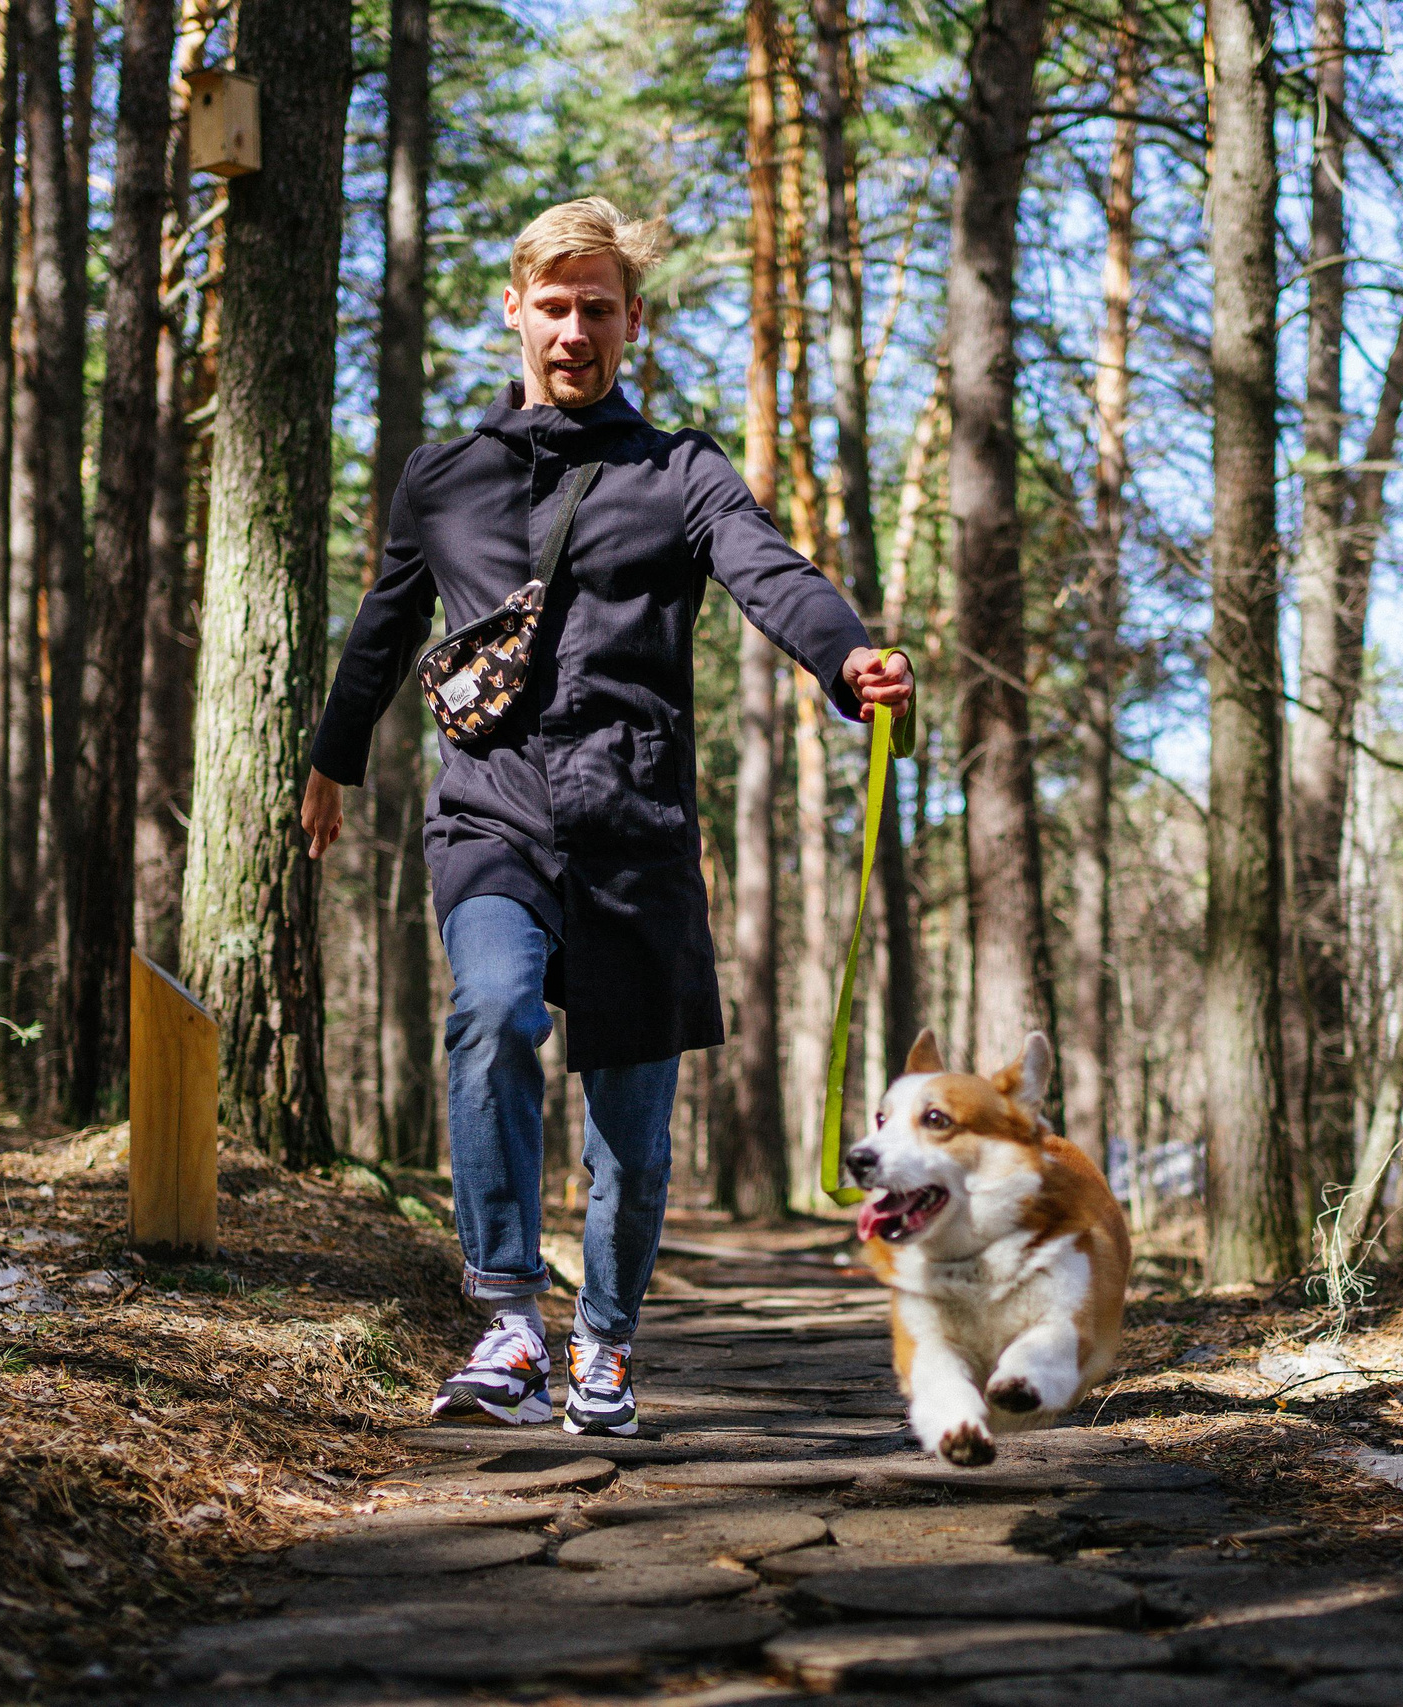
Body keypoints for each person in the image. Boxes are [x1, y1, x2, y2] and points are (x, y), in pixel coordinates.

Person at [301, 198, 913, 1436]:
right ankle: (511, 1320)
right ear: (515, 308)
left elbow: (764, 569)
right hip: (492, 810)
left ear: (632, 321)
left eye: (598, 309)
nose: (574, 331)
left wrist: (844, 659)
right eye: (554, 304)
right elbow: (383, 624)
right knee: (488, 1012)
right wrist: (334, 757)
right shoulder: (445, 476)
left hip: (634, 823)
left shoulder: (678, 470)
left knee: (630, 1126)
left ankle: (608, 1346)